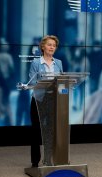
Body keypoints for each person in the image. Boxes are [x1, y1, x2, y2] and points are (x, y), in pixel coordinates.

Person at [28, 35, 63, 167]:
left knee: (50, 130)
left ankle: (49, 159)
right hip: (39, 100)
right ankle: (35, 162)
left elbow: (62, 81)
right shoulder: (36, 63)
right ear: (43, 47)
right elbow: (33, 81)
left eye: (54, 45)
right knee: (36, 131)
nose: (52, 47)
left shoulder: (58, 63)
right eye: (49, 45)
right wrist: (47, 84)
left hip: (54, 101)